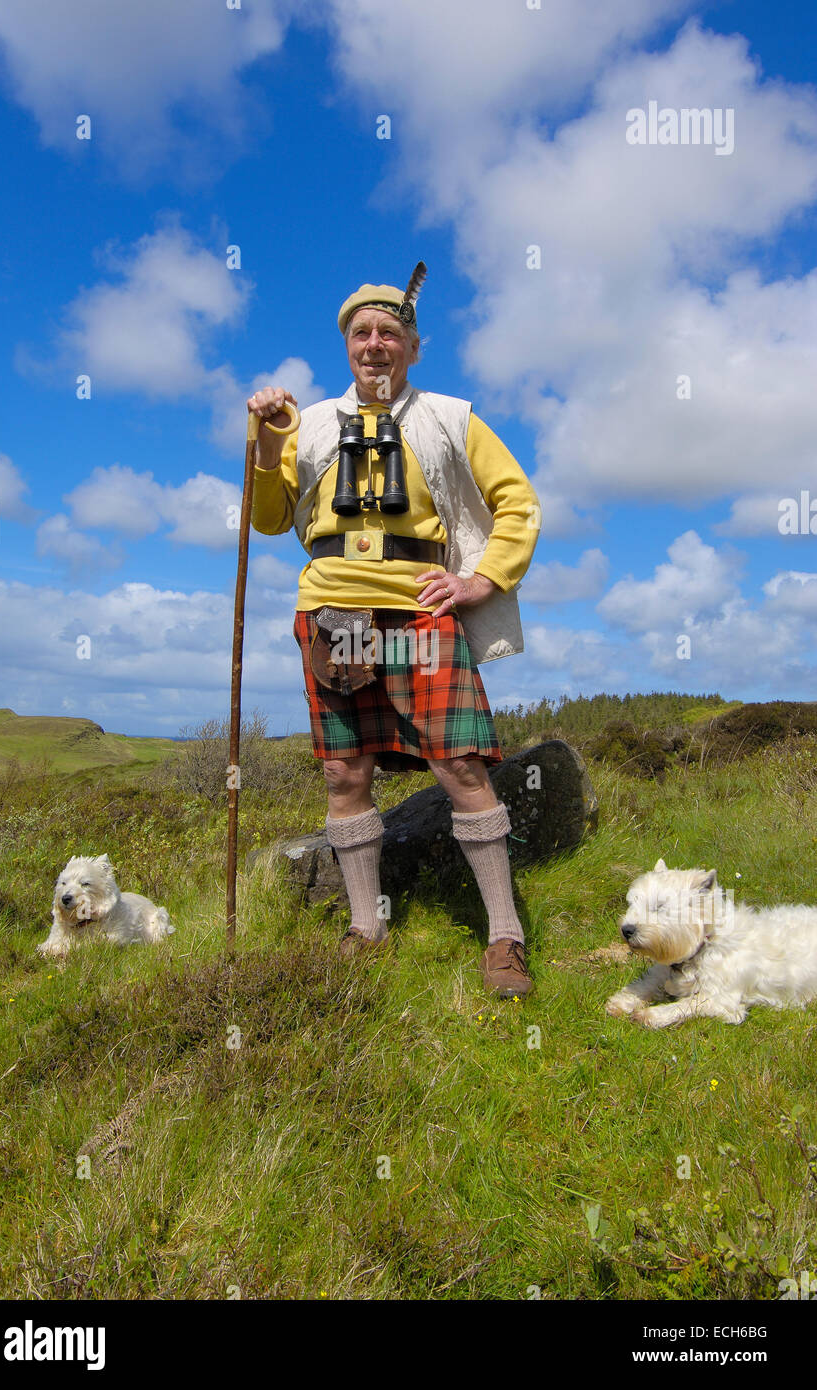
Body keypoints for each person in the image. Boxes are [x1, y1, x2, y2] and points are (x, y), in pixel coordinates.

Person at [247, 268, 541, 998]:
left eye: (388, 333)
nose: (374, 345)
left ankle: (504, 937)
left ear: (411, 345)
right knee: (345, 772)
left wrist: (481, 579)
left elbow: (517, 501)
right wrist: (262, 442)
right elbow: (268, 518)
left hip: (419, 615)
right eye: (361, 334)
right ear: (346, 346)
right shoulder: (305, 422)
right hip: (331, 613)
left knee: (460, 765)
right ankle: (365, 928)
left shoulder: (450, 417)